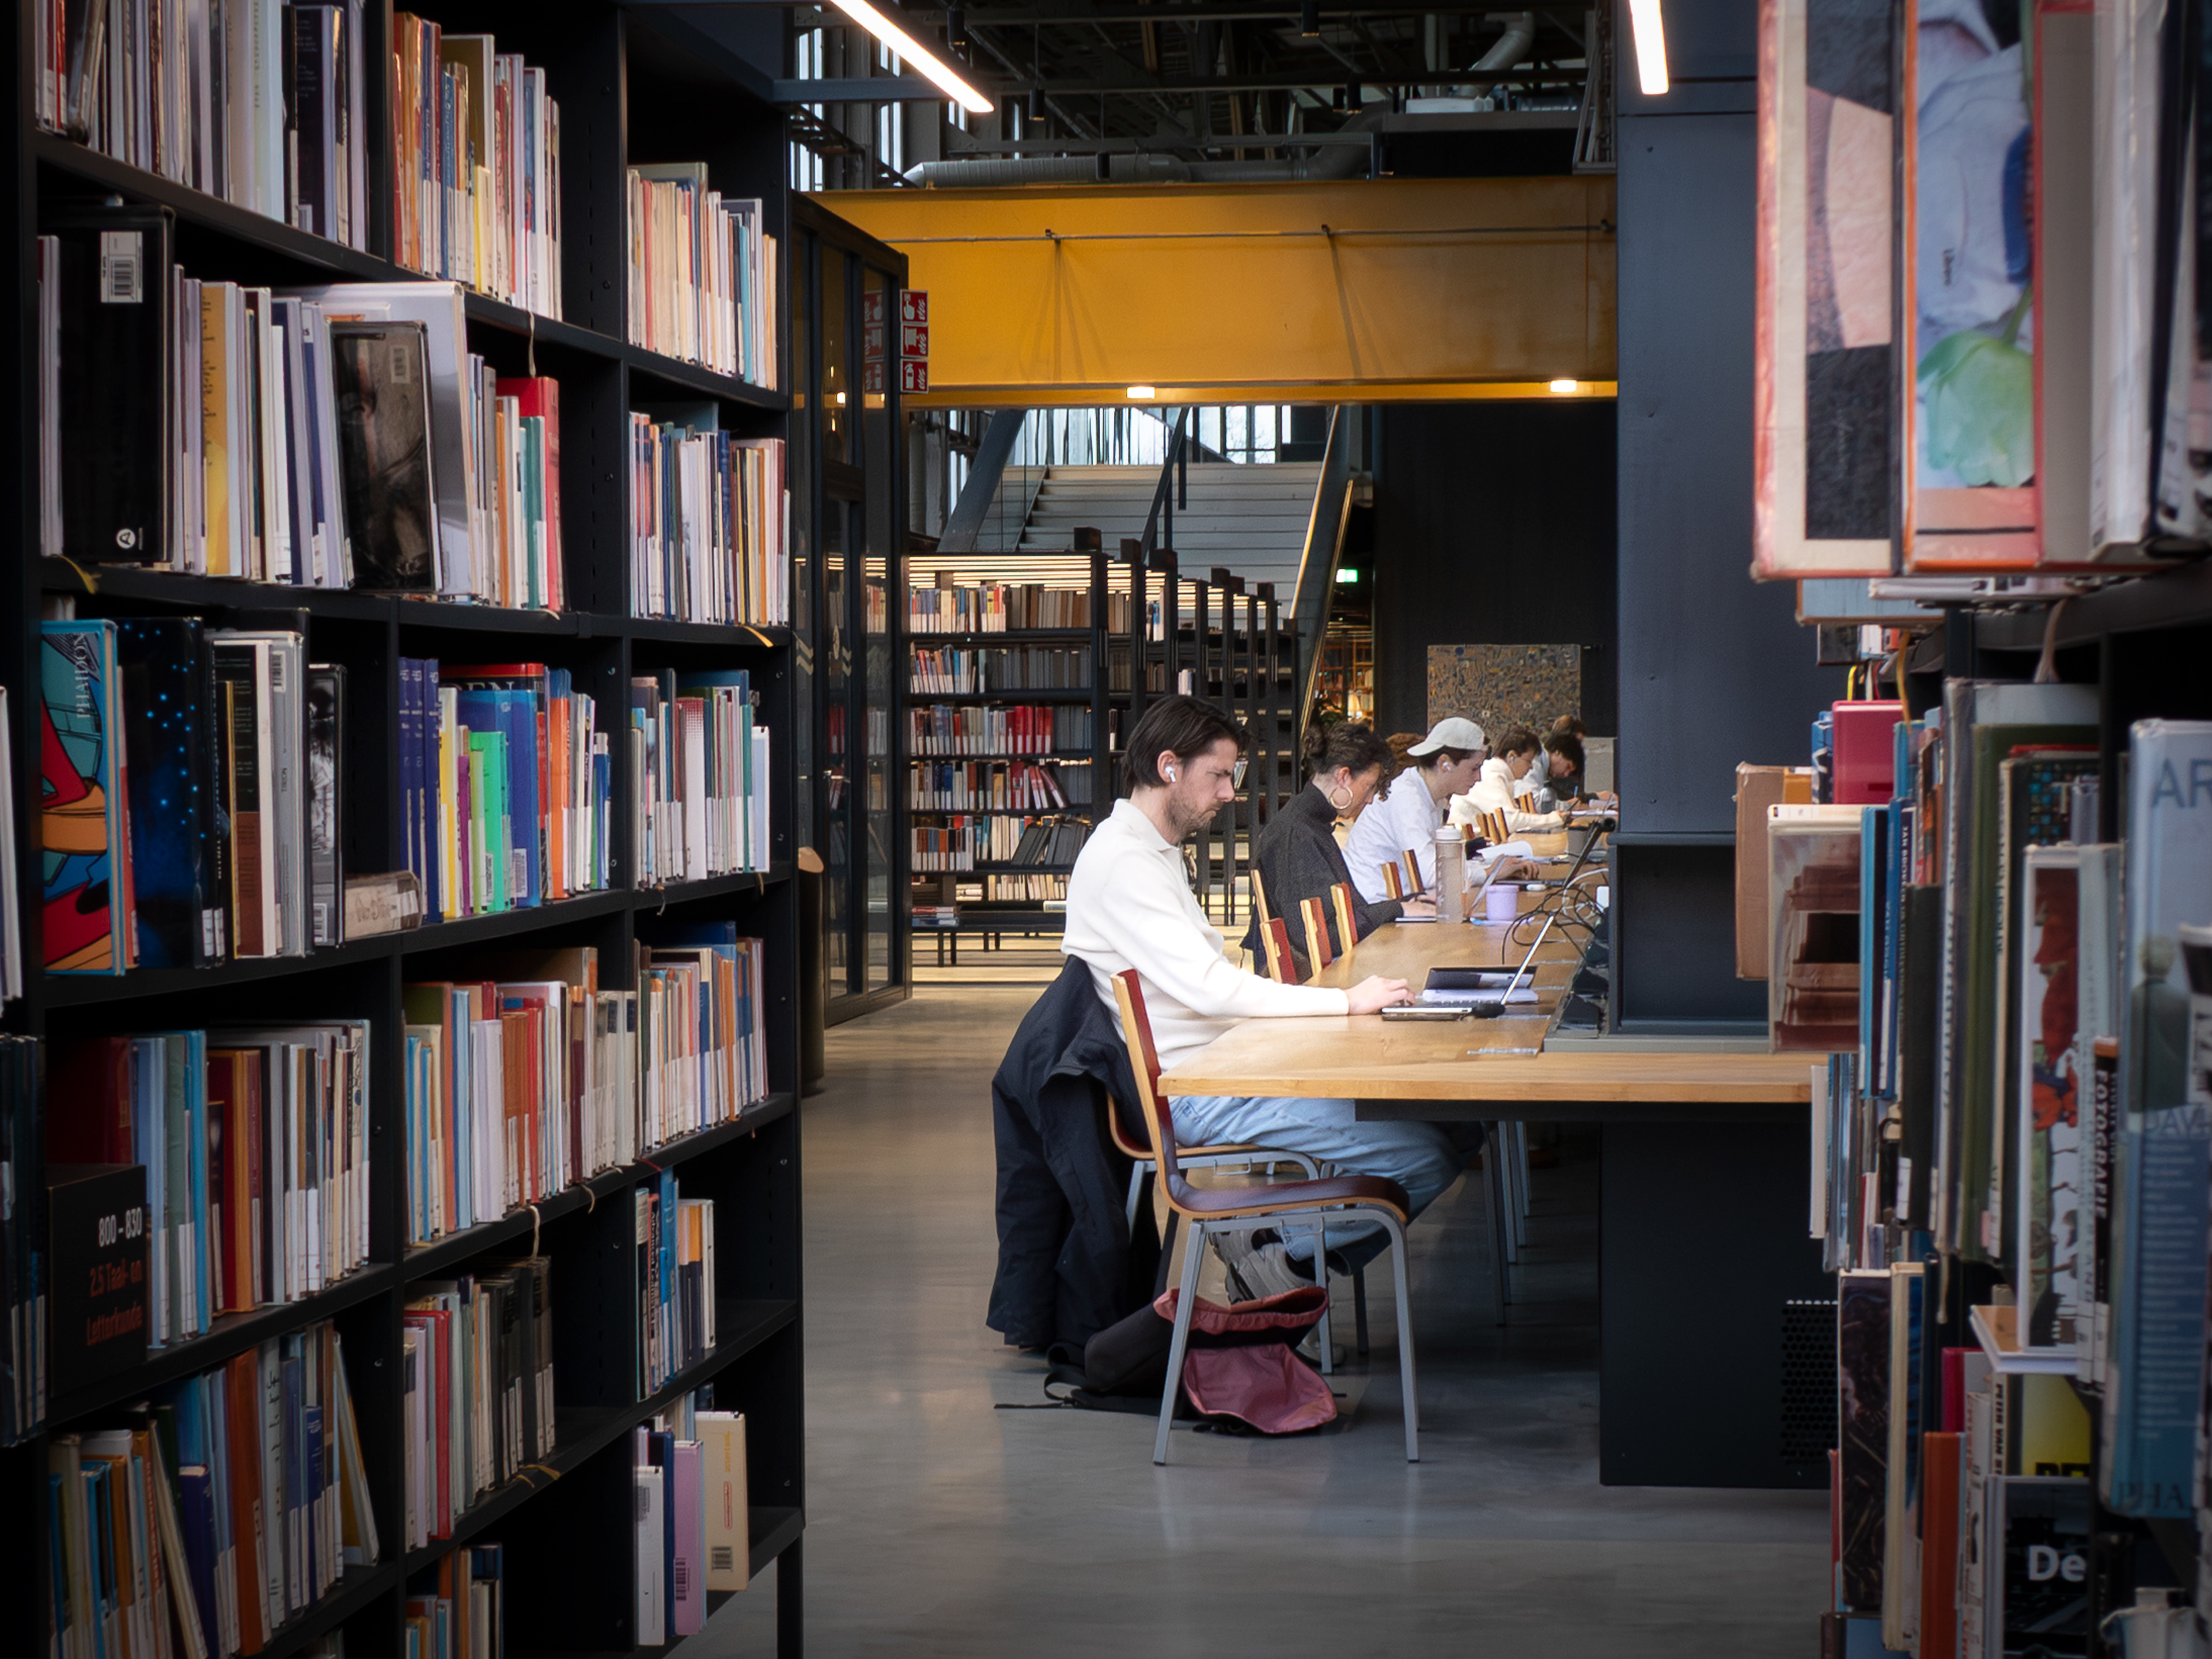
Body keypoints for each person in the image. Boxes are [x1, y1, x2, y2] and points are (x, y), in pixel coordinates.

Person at [1062, 694, 1481, 1302]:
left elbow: (1208, 985)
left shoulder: (1150, 850)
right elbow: (1212, 988)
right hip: (1196, 1089)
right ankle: (1275, 1251)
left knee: (1455, 1125)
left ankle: (1279, 1257)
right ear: (1169, 767)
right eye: (1219, 775)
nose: (1230, 793)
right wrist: (1342, 1004)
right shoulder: (1123, 862)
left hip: (1224, 1062)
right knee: (1425, 1157)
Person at [1244, 722, 1430, 972]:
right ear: (1343, 777)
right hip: (1316, 982)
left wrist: (1406, 903)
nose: (1370, 799)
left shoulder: (1306, 823)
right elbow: (1321, 937)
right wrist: (1398, 908)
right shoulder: (1297, 835)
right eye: (1369, 786)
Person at [1344, 716, 1487, 904]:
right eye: (1474, 768)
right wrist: (1489, 871)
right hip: (1377, 909)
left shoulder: (1429, 795)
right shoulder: (1407, 797)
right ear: (1444, 763)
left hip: (1397, 902)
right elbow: (1430, 874)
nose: (1479, 777)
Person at [1452, 723, 1565, 834]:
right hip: (1467, 841)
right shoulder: (1492, 774)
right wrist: (1552, 819)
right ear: (1512, 756)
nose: (1531, 767)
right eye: (1529, 761)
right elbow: (1509, 821)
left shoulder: (1501, 774)